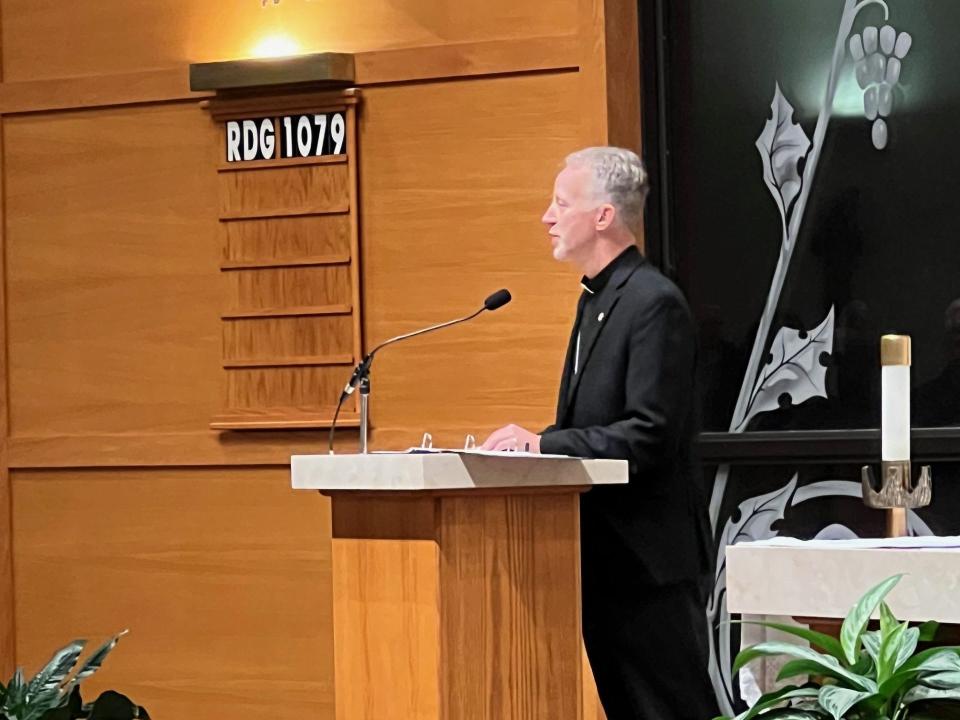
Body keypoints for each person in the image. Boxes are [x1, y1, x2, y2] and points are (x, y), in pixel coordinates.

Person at [481, 147, 717, 720]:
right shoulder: (599, 301)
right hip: (605, 558)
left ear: (604, 216)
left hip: (647, 562)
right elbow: (590, 426)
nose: (547, 216)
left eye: (562, 203)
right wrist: (540, 444)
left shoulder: (653, 302)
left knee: (671, 707)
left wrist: (543, 444)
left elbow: (648, 434)